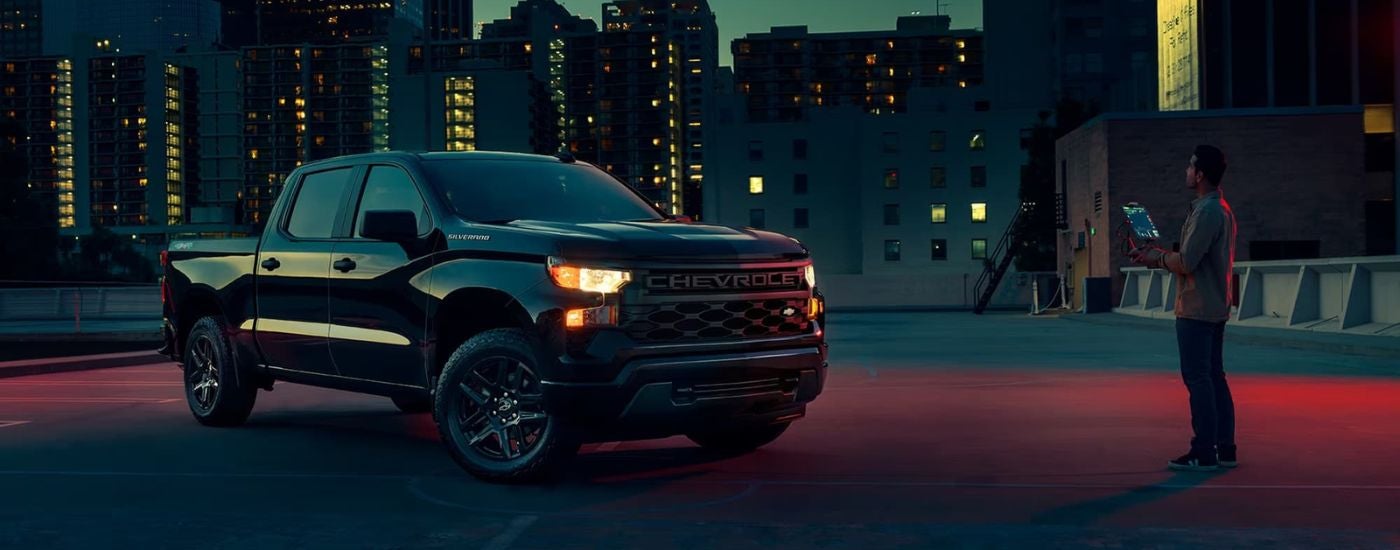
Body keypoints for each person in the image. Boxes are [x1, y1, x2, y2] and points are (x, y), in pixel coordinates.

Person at [1129, 145, 1238, 472]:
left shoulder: (1207, 212)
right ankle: (1225, 448)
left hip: (1196, 307)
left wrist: (1156, 258)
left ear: (1200, 174)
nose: (1186, 172)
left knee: (1199, 379)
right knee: (1214, 377)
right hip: (1214, 305)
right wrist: (1159, 256)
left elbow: (1188, 261)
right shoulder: (1221, 209)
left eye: (1190, 167)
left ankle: (1204, 450)